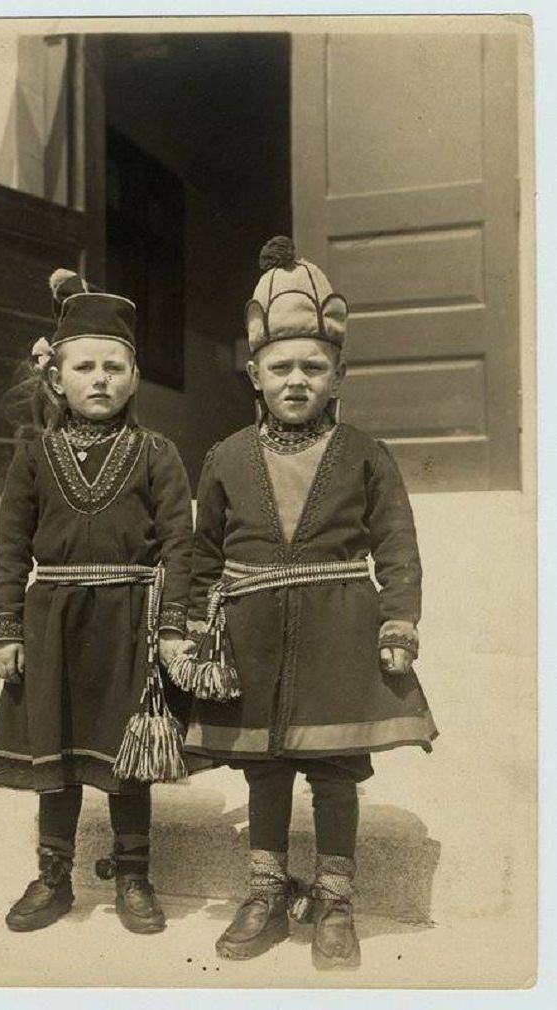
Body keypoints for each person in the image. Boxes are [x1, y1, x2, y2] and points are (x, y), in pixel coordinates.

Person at [169, 236, 438, 969]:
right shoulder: (225, 458)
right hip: (251, 635)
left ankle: (336, 895)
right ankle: (263, 888)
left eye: (313, 368)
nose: (296, 381)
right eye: (281, 367)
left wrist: (398, 619)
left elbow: (397, 546)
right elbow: (200, 551)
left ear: (338, 374)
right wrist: (192, 625)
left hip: (338, 631)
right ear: (254, 373)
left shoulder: (367, 455)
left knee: (333, 765)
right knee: (265, 766)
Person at [0, 269, 193, 936]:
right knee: (57, 753)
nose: (99, 378)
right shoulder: (34, 456)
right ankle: (53, 878)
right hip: (55, 624)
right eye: (85, 366)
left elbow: (181, 547)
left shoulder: (156, 453)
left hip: (132, 621)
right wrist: (5, 629)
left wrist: (172, 628)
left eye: (114, 366)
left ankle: (133, 876)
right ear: (56, 378)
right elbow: (11, 549)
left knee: (128, 757)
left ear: (133, 377)